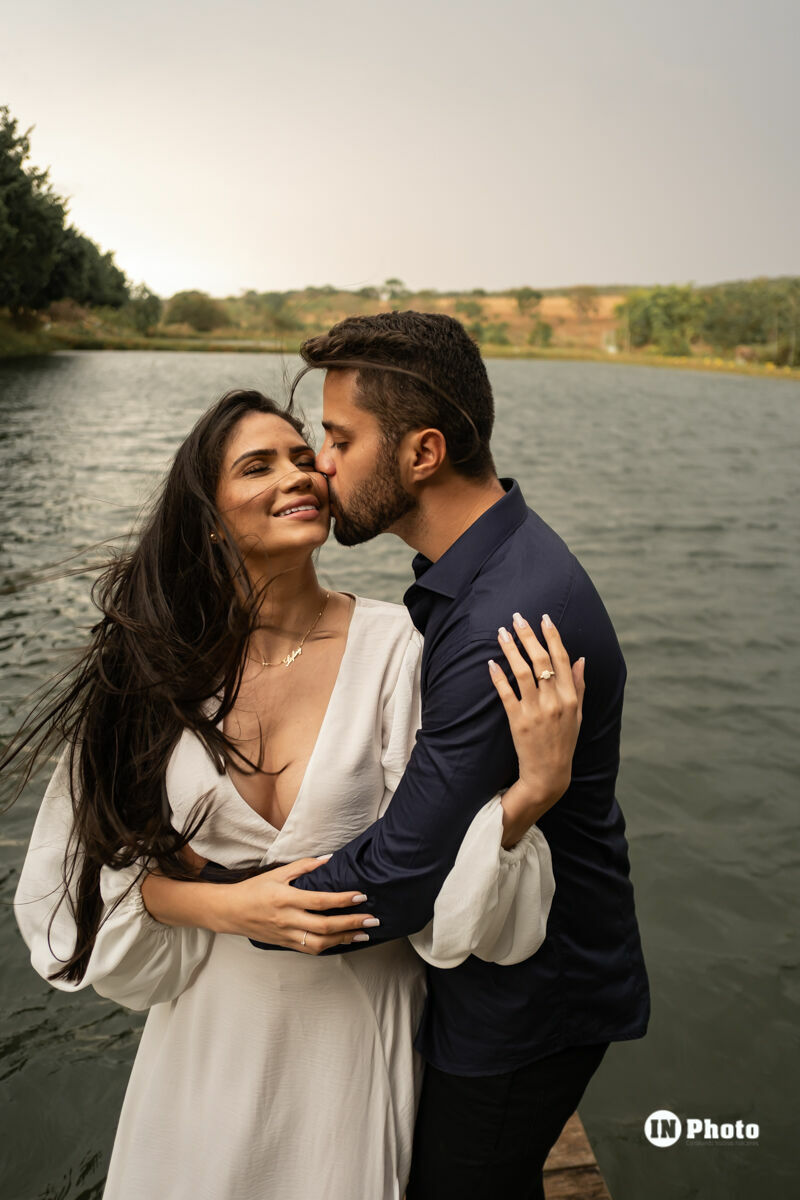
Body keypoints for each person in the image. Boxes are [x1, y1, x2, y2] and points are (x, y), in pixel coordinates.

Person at [11, 387, 583, 1200]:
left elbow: (449, 889)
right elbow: (79, 885)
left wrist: (532, 795)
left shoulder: (398, 647)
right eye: (258, 465)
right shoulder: (153, 663)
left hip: (354, 1035)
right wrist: (222, 908)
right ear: (210, 516)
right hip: (207, 1037)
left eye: (305, 455)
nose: (300, 474)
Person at [271, 311, 649, 1198]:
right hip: (511, 969)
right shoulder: (488, 565)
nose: (320, 462)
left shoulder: (501, 620)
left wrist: (211, 899)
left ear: (423, 452)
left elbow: (400, 876)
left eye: (340, 438)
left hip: (524, 1003)